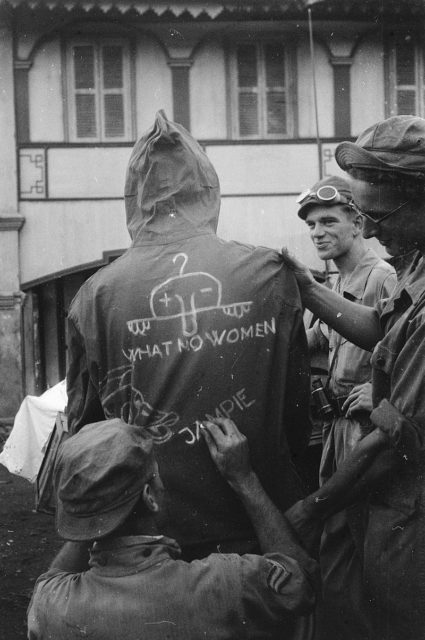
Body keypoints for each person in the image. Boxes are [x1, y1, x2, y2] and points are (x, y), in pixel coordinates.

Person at [66, 111, 312, 559]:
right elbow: (298, 408)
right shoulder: (269, 273)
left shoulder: (95, 295)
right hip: (259, 517)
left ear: (133, 199)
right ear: (208, 191)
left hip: (149, 526)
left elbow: (87, 425)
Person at [27, 416, 390, 640]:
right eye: (157, 477)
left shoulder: (52, 607)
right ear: (150, 498)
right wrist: (244, 479)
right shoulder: (223, 585)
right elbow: (301, 582)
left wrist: (91, 496)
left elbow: (55, 574)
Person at [282, 115, 425, 640]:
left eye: (378, 215)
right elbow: (379, 330)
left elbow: (393, 438)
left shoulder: (395, 272)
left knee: (395, 607)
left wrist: (311, 508)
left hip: (406, 490)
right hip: (383, 479)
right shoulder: (414, 266)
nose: (369, 227)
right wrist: (306, 286)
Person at [297, 175, 396, 639]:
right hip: (337, 431)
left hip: (366, 435)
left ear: (358, 223)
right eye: (312, 224)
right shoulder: (338, 279)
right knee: (337, 552)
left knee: (361, 555)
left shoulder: (381, 276)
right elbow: (317, 341)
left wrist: (381, 394)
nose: (317, 231)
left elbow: (399, 350)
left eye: (329, 221)